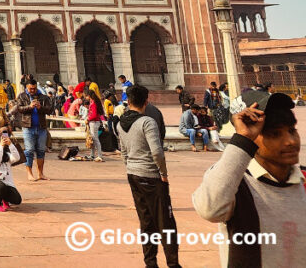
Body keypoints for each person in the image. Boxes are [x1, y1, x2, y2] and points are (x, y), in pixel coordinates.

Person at [192, 88, 305, 267]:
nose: (290, 141)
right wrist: (242, 139)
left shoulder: (303, 180)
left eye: (292, 130)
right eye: (274, 134)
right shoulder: (236, 184)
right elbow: (209, 209)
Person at [118, 84, 179, 268]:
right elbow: (157, 152)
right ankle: (173, 263)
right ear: (146, 101)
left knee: (146, 220)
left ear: (128, 102)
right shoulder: (147, 122)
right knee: (165, 221)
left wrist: (130, 167)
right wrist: (163, 173)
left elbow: (123, 151)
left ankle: (150, 262)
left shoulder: (121, 123)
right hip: (152, 176)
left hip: (133, 174)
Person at [10, 80, 51, 180]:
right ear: (26, 88)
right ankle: (29, 174)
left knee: (41, 150)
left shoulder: (43, 97)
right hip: (28, 127)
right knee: (29, 151)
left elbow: (50, 109)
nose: (32, 90)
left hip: (41, 127)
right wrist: (30, 106)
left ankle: (40, 173)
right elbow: (19, 109)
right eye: (30, 89)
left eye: (34, 88)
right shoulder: (22, 96)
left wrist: (40, 107)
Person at [0, 127, 22, 211]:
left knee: (17, 200)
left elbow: (17, 158)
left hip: (8, 184)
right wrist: (1, 146)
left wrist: (10, 144)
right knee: (0, 186)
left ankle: (4, 200)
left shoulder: (7, 154)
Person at [84, 88, 106, 162]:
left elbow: (93, 115)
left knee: (95, 139)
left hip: (94, 122)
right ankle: (92, 154)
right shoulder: (94, 102)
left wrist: (88, 119)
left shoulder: (93, 103)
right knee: (93, 139)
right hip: (94, 122)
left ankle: (99, 155)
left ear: (89, 96)